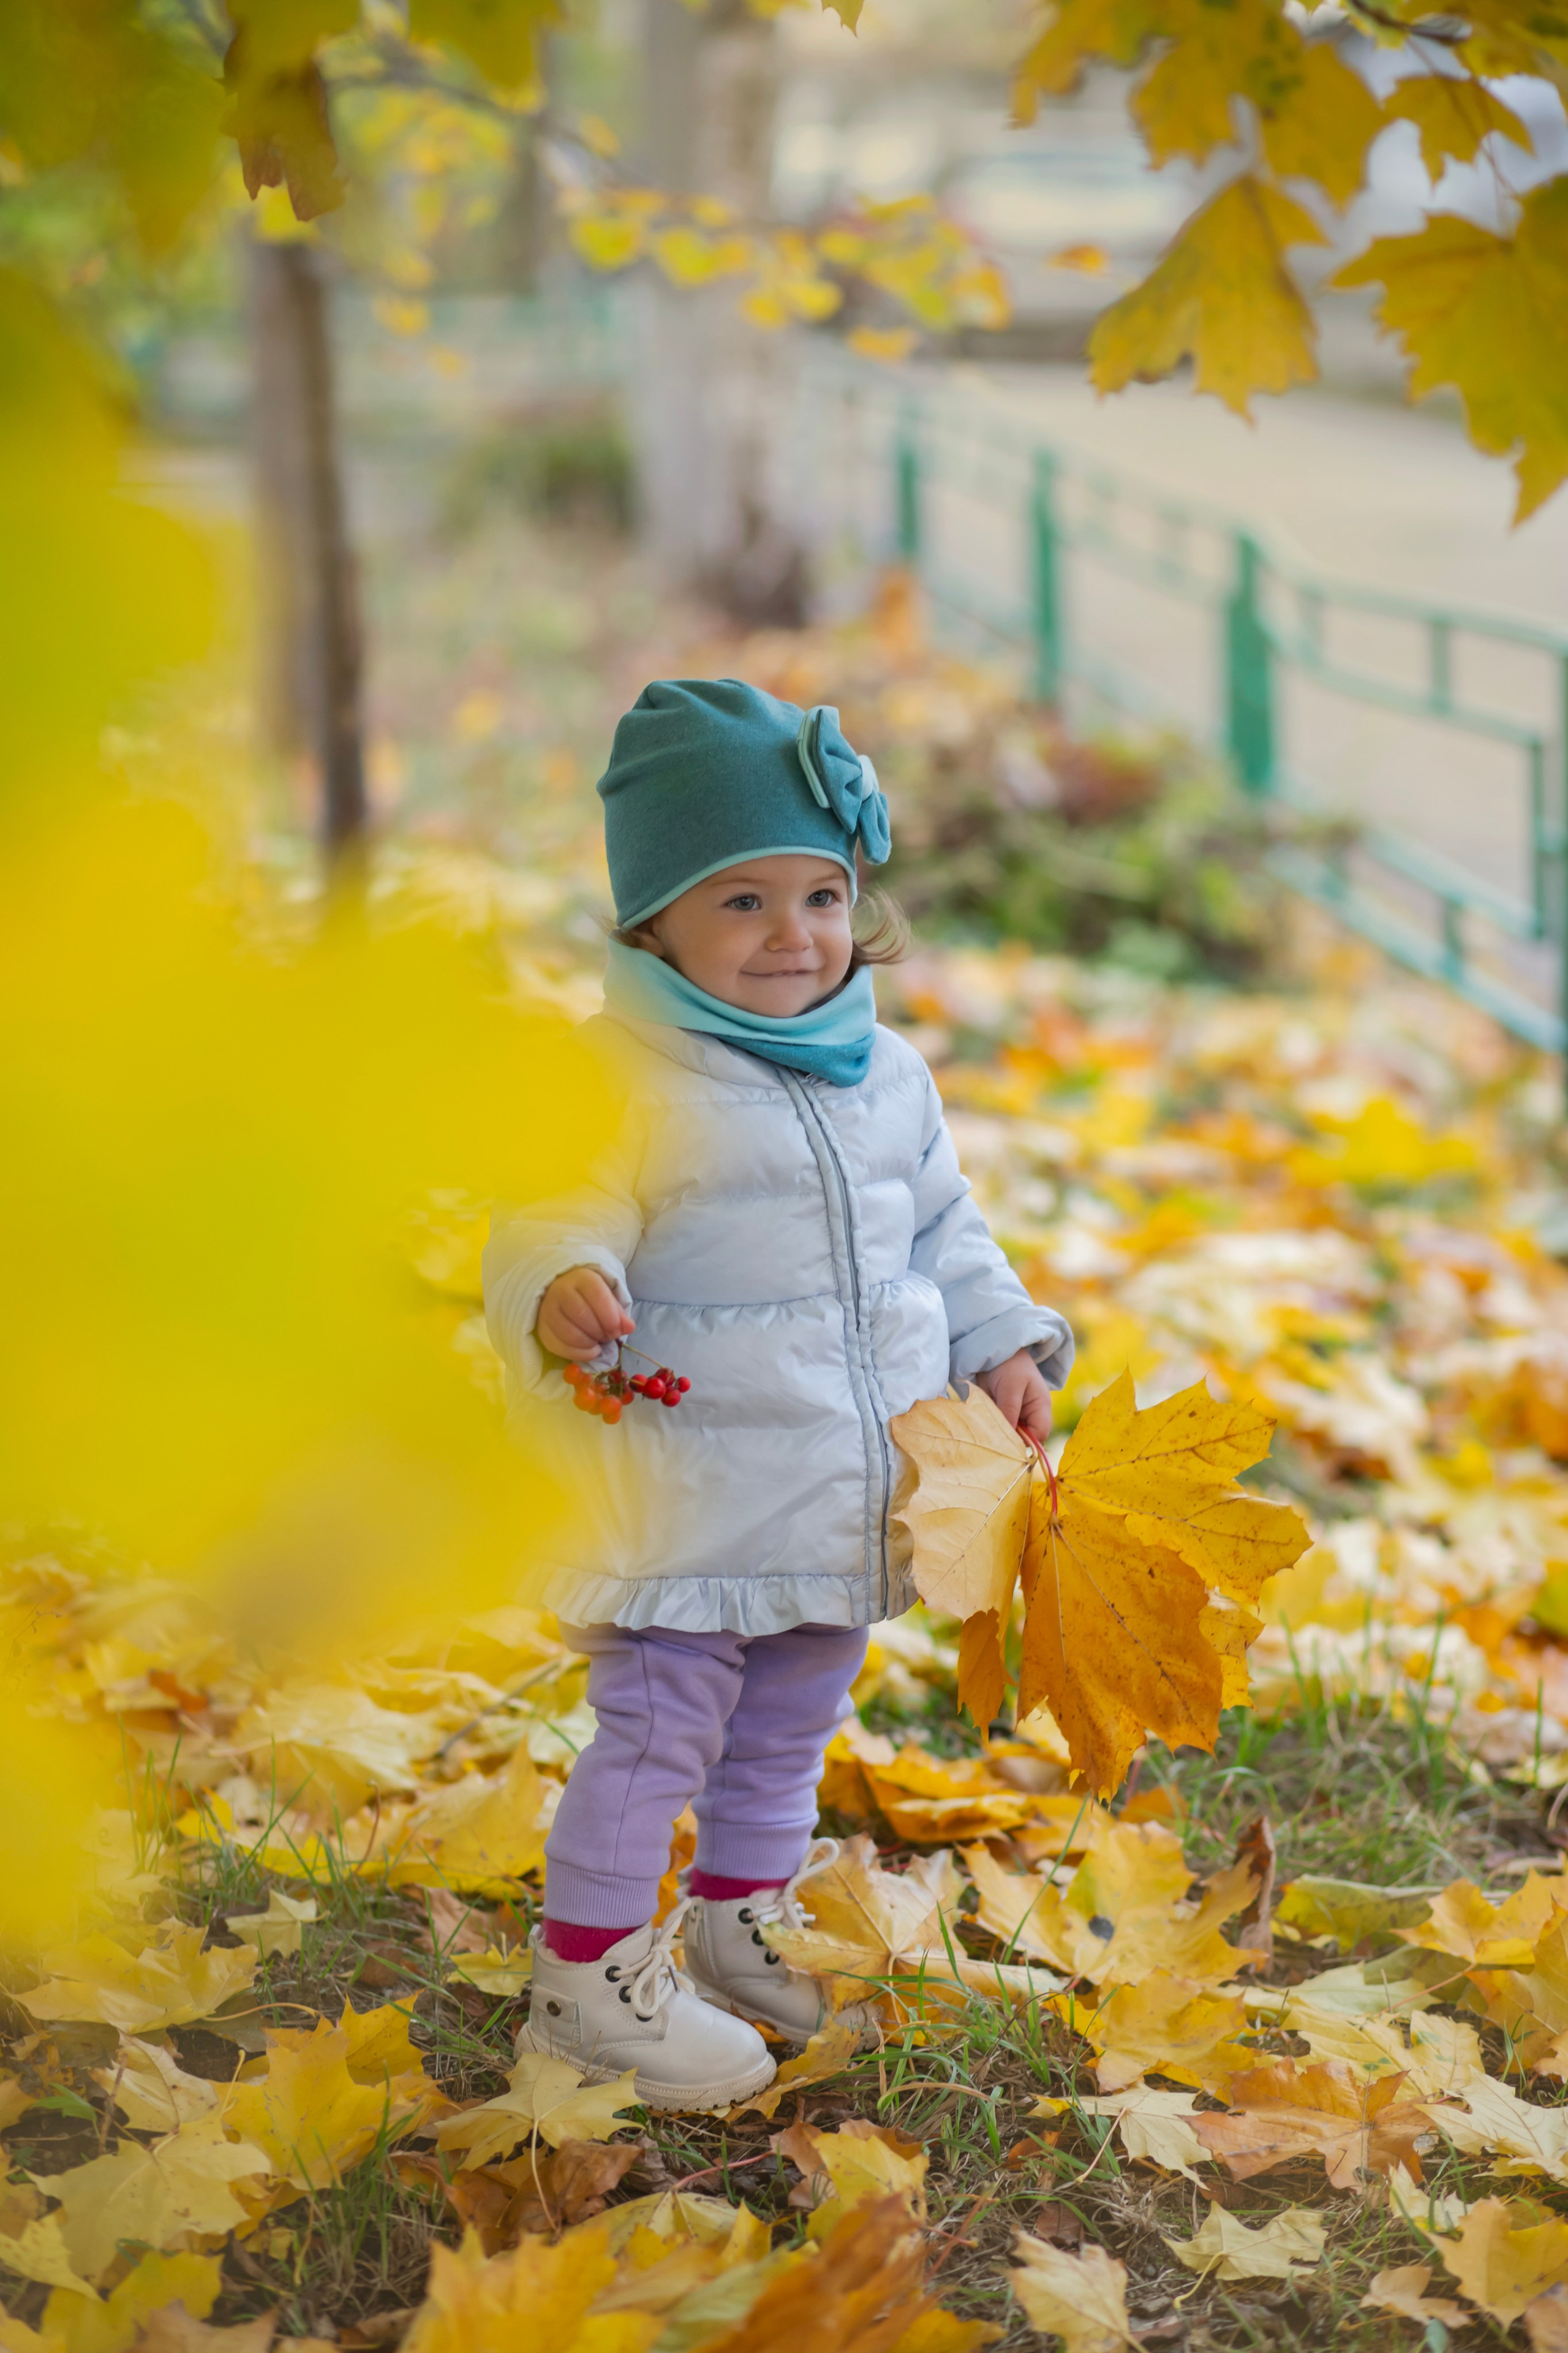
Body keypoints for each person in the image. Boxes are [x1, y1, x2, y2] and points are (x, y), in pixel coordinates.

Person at [483, 678, 1073, 2109]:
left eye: (819, 895)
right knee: (660, 1726)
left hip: (831, 1484)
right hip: (683, 1487)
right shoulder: (619, 1073)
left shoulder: (884, 1072)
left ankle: (741, 1919)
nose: (792, 935)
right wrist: (561, 1280)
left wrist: (999, 1342)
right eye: (739, 901)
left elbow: (944, 1229)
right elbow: (547, 1211)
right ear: (655, 922)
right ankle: (587, 1982)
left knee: (792, 1715)